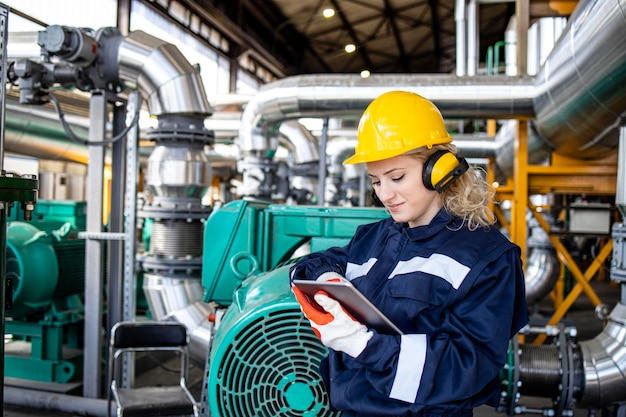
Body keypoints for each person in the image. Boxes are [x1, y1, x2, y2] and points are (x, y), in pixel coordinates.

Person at [290, 90, 528, 417]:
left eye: (397, 177)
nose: (386, 195)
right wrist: (327, 278)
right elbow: (312, 265)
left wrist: (365, 346)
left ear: (439, 169)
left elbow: (467, 366)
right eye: (375, 181)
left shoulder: (487, 258)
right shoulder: (373, 237)